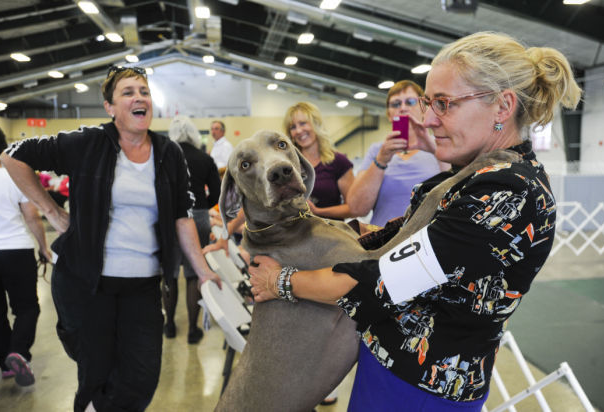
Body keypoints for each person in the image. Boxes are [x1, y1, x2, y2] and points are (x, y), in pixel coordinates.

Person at [248, 31, 581, 411]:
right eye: (428, 103)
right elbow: (397, 235)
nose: (427, 119)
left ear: (502, 106)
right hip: (397, 372)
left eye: (443, 103)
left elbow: (381, 282)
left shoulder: (507, 190)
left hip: (420, 390)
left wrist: (279, 282)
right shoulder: (477, 173)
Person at [0, 66, 221, 411]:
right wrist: (54, 213)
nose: (139, 98)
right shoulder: (87, 143)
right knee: (97, 370)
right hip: (88, 283)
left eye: (144, 91)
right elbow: (12, 156)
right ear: (110, 107)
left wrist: (203, 270)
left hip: (144, 284)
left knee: (143, 374)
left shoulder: (169, 154)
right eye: (128, 92)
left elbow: (181, 215)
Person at [0, 124, 51, 387]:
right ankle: (19, 352)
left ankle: (5, 363)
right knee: (26, 307)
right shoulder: (14, 174)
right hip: (16, 249)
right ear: (3, 145)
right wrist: (44, 246)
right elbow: (32, 216)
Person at [347, 80, 445, 227]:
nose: (403, 108)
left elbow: (456, 189)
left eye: (410, 102)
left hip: (426, 238)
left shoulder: (440, 144)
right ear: (389, 114)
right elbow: (356, 208)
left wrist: (434, 150)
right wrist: (381, 160)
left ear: (423, 108)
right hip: (384, 239)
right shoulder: (377, 151)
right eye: (396, 104)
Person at [162, 115, 221, 344]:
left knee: (170, 273)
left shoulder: (163, 156)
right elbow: (216, 194)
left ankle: (169, 324)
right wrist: (202, 202)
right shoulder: (205, 159)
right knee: (194, 273)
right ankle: (193, 329)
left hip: (168, 216)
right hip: (198, 215)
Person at [283, 101, 356, 220]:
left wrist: (318, 211)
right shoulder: (287, 165)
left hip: (331, 232)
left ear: (316, 124)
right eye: (293, 127)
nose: (299, 131)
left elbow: (353, 209)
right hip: (297, 234)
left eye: (303, 123)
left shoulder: (339, 162)